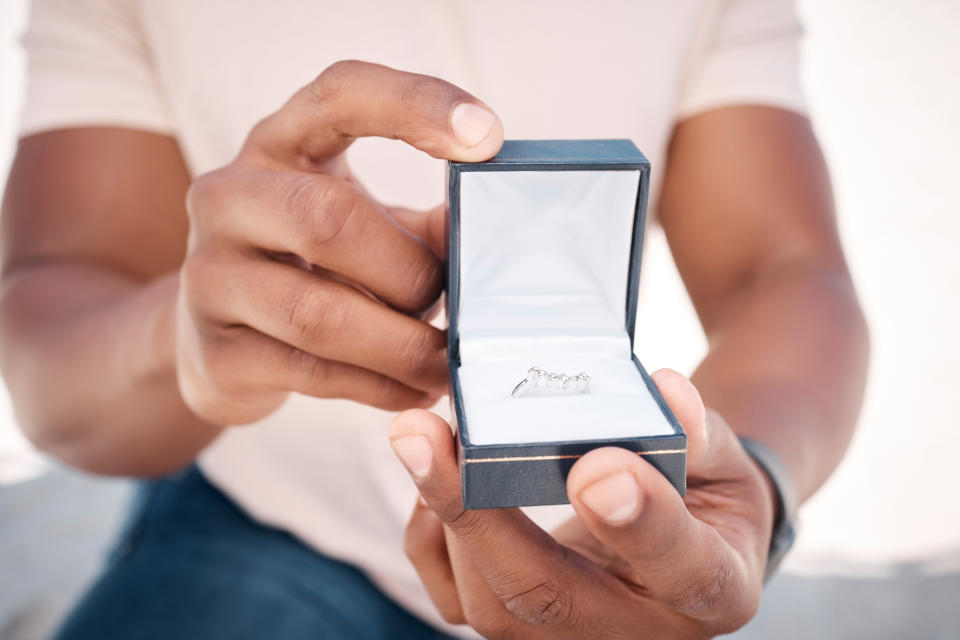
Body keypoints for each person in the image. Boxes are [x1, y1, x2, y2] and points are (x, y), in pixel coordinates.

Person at [0, 1, 869, 638]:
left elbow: (784, 272)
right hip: (266, 516)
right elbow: (49, 331)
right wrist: (178, 339)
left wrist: (754, 480)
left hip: (612, 561)